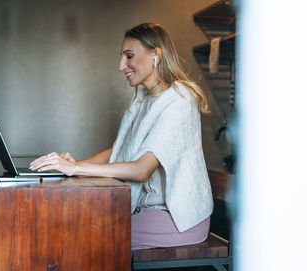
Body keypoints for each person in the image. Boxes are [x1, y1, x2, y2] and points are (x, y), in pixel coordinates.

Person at [30, 23, 213, 251]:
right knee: (69, 225)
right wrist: (74, 164)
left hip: (176, 219)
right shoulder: (143, 100)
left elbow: (141, 169)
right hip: (148, 211)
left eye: (129, 56)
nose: (121, 66)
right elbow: (118, 151)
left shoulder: (179, 100)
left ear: (156, 55)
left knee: (78, 233)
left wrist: (76, 170)